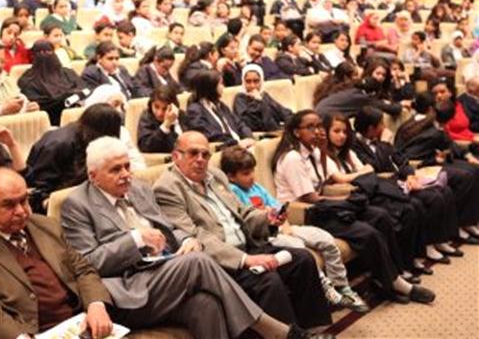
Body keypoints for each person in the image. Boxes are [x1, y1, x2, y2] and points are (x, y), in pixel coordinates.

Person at [61, 136, 307, 339]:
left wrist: (188, 240)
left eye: (127, 166)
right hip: (128, 288)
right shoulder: (77, 205)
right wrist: (135, 240)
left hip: (164, 270)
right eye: (116, 170)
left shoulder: (139, 189)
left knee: (206, 304)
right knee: (197, 261)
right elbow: (88, 262)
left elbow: (170, 229)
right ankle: (274, 330)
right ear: (93, 176)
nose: (126, 174)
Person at [153, 131, 333, 331]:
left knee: (302, 259)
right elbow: (195, 237)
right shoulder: (167, 188)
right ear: (176, 156)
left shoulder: (215, 176)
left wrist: (267, 219)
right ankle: (289, 336)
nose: (200, 159)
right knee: (268, 281)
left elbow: (242, 212)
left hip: (249, 247)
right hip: (222, 264)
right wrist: (245, 260)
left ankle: (315, 329)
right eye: (193, 153)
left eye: (205, 154)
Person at [272, 110, 436, 304]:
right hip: (305, 212)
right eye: (310, 127)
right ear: (296, 132)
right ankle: (397, 285)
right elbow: (309, 197)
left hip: (323, 205)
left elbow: (325, 181)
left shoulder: (314, 151)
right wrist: (343, 201)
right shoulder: (292, 158)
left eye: (318, 126)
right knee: (367, 232)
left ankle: (392, 276)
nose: (317, 131)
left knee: (380, 215)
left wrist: (323, 151)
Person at [0, 167, 115, 339]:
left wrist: (95, 305)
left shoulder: (47, 226)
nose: (21, 211)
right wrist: (20, 337)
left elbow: (82, 269)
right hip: (33, 332)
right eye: (9, 205)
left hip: (80, 324)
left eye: (24, 200)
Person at [220, 145, 369, 312]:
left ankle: (342, 286)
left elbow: (277, 207)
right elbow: (250, 223)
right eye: (246, 173)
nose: (252, 176)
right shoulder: (232, 193)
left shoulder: (257, 187)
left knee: (325, 239)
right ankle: (325, 288)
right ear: (231, 176)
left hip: (285, 227)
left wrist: (285, 223)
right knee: (298, 247)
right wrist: (274, 222)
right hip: (267, 236)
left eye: (253, 171)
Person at [352, 106, 462, 267]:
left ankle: (439, 239)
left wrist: (410, 175)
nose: (384, 127)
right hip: (384, 185)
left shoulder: (379, 139)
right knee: (430, 199)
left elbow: (401, 159)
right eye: (381, 123)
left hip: (401, 179)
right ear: (370, 128)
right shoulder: (355, 145)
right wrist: (384, 143)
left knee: (444, 191)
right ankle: (427, 245)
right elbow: (376, 166)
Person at [394, 92, 479, 243]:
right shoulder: (430, 128)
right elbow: (410, 155)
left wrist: (467, 156)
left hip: (429, 160)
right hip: (417, 167)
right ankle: (461, 224)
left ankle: (469, 220)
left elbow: (449, 144)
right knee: (466, 176)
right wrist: (435, 158)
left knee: (473, 169)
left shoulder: (429, 123)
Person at [18, 40, 89, 125]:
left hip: (78, 117)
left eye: (49, 51)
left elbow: (85, 89)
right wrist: (67, 96)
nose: (45, 55)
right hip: (50, 122)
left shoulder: (67, 73)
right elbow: (40, 103)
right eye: (41, 53)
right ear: (34, 56)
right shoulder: (27, 79)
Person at [234, 64, 293, 133]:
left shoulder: (264, 96)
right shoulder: (240, 98)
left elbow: (283, 112)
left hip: (275, 131)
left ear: (261, 81)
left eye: (256, 81)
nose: (252, 86)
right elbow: (250, 122)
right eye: (248, 81)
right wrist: (257, 101)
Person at [81, 41, 146, 100]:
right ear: (99, 58)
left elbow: (135, 88)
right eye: (110, 59)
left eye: (117, 59)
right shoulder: (91, 74)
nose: (114, 62)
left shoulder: (122, 69)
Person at [138, 86, 188, 153]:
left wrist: (176, 123)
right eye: (156, 107)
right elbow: (145, 146)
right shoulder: (147, 118)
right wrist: (166, 125)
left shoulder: (181, 115)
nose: (159, 113)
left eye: (165, 109)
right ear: (151, 104)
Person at [430, 77, 477, 143]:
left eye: (442, 92)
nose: (439, 96)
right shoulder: (434, 112)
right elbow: (445, 134)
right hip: (458, 142)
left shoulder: (457, 104)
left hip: (471, 137)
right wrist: (472, 140)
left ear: (450, 93)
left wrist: (475, 136)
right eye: (435, 93)